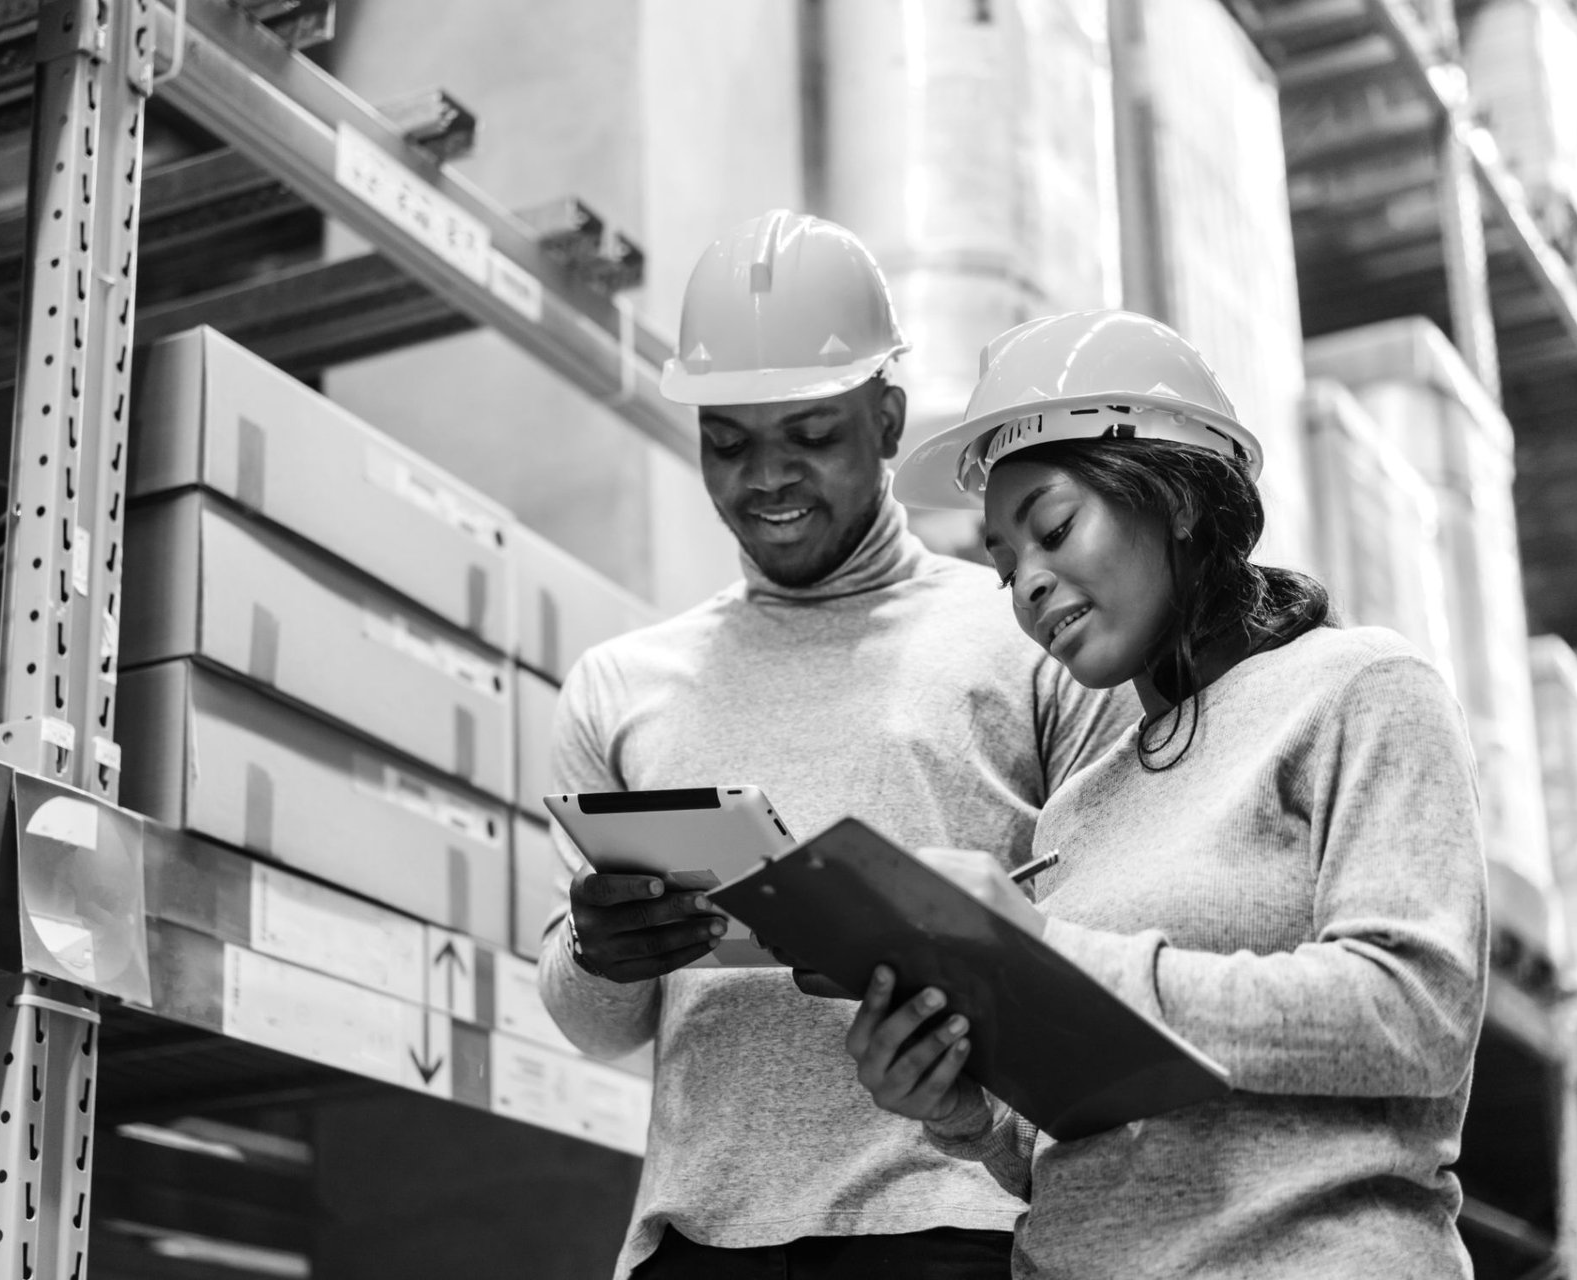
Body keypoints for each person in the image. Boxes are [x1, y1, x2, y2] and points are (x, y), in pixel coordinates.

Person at [536, 211, 1136, 1279]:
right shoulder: (624, 687)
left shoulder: (1029, 637)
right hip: (698, 1242)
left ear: (889, 417)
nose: (767, 476)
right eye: (730, 440)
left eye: (810, 435)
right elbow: (596, 1024)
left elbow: (1125, 955)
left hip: (956, 1225)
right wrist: (597, 950)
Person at [846, 309, 1489, 1279]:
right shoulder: (1077, 806)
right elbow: (1084, 1137)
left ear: (1177, 497)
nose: (1026, 584)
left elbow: (1416, 1014)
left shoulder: (1358, 690)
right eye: (1004, 562)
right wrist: (963, 1108)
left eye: (1053, 527)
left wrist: (1070, 961)